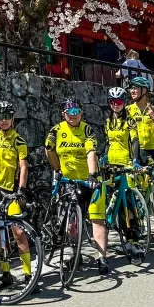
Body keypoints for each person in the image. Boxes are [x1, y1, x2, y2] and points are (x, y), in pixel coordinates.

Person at [45, 98, 109, 276]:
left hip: (89, 179)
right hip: (69, 181)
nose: (73, 116)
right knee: (70, 224)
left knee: (97, 219)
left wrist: (92, 175)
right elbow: (48, 149)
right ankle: (76, 254)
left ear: (81, 113)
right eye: (69, 112)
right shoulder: (57, 130)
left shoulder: (87, 129)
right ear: (63, 114)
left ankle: (101, 258)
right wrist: (57, 169)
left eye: (76, 112)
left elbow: (91, 152)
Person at [0, 100, 35, 291]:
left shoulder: (18, 140)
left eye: (7, 117)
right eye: (0, 117)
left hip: (10, 192)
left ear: (12, 119)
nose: (3, 121)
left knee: (18, 233)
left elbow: (23, 166)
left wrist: (21, 189)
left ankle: (28, 275)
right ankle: (6, 274)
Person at [126, 76, 154, 172]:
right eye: (131, 88)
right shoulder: (127, 110)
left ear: (144, 90)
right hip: (136, 154)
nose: (132, 91)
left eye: (135, 88)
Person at [105, 87, 137, 166]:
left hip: (126, 162)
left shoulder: (130, 121)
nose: (115, 105)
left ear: (124, 103)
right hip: (111, 162)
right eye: (112, 102)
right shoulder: (108, 122)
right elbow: (108, 142)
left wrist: (136, 159)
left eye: (118, 102)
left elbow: (135, 141)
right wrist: (105, 155)